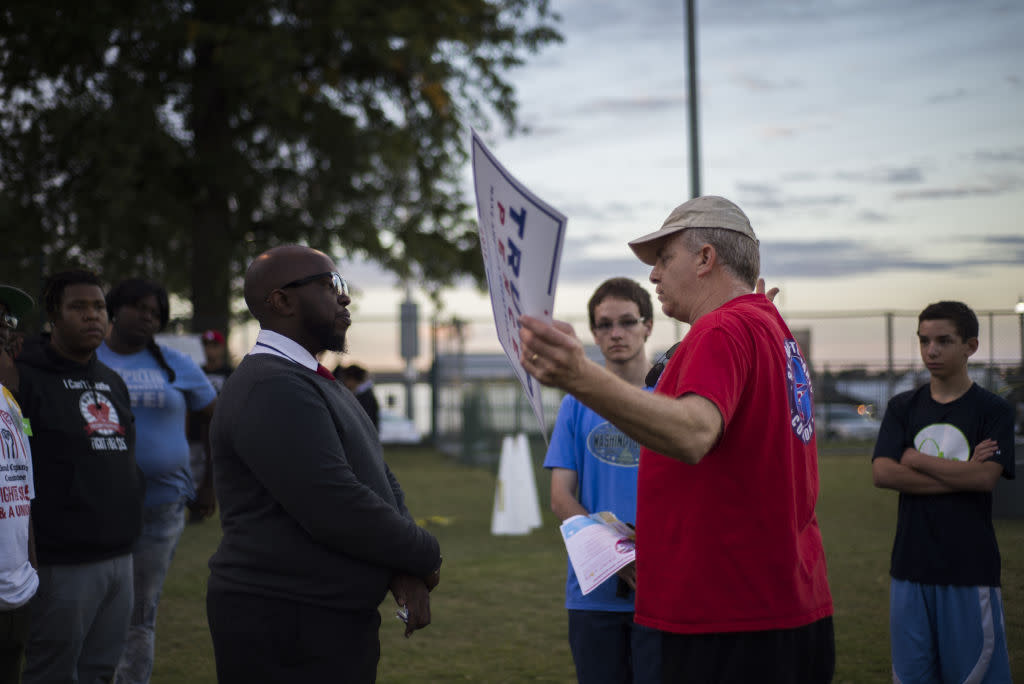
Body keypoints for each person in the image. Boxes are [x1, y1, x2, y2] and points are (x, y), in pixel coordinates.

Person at [519, 196, 834, 684]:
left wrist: (578, 375)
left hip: (730, 618)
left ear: (706, 258)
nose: (654, 276)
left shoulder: (724, 328)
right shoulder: (768, 326)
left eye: (664, 259)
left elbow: (693, 433)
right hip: (783, 604)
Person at [206, 245, 442, 683]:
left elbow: (377, 475)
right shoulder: (271, 386)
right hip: (285, 620)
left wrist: (403, 568)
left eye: (344, 286)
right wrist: (426, 553)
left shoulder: (311, 379)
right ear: (281, 301)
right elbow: (334, 504)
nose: (345, 298)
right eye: (331, 285)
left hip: (324, 615)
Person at [872, 301, 1014, 683]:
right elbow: (883, 472)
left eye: (944, 341)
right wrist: (964, 472)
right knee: (912, 676)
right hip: (909, 566)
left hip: (969, 568)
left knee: (972, 675)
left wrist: (917, 459)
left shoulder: (993, 410)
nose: (931, 351)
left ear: (971, 346)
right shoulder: (904, 406)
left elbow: (986, 480)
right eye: (924, 340)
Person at [15, 270, 144, 684]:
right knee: (51, 672)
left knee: (101, 671)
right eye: (78, 307)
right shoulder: (23, 378)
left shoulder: (113, 382)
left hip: (120, 557)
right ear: (54, 316)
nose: (93, 317)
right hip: (61, 562)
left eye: (99, 307)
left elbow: (128, 456)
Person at [97, 278, 217, 684]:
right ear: (114, 309)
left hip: (162, 506)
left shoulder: (173, 363)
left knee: (140, 612)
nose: (148, 316)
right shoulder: (87, 358)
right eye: (139, 307)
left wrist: (207, 486)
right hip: (95, 507)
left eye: (156, 312)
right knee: (95, 607)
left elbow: (217, 421)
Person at [543, 277, 661, 684]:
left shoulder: (674, 398)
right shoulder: (577, 402)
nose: (616, 333)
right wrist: (620, 556)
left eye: (627, 322)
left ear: (648, 325)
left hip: (663, 589)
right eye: (605, 324)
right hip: (594, 593)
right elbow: (561, 498)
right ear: (593, 333)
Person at [0, 284, 37, 684]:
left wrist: (31, 565)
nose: (1, 325)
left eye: (6, 318)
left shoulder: (10, 400)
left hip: (17, 592)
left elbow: (23, 489)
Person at [186, 329, 233, 523]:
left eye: (214, 345)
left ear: (221, 348)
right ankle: (195, 507)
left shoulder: (229, 373)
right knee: (195, 468)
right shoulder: (196, 371)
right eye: (206, 345)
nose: (209, 350)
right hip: (197, 430)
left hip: (220, 429)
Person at [339, 363, 381, 431]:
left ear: (352, 379)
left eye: (345, 379)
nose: (345, 383)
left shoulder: (364, 397)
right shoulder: (365, 394)